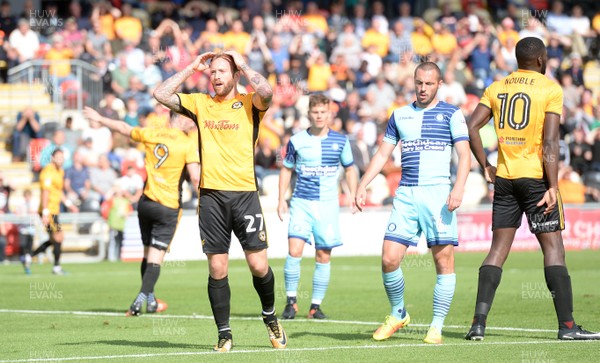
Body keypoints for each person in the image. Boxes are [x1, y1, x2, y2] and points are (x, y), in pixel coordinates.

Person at [465, 37, 600, 341]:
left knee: (497, 251)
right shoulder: (549, 89)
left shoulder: (496, 87)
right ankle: (567, 327)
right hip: (536, 180)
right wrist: (552, 185)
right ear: (541, 60)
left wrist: (485, 164)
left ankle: (478, 324)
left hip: (505, 179)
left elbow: (471, 126)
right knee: (553, 249)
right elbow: (551, 143)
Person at [153, 50, 287, 352]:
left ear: (235, 74)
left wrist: (244, 64)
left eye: (222, 71)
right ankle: (224, 333)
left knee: (258, 265)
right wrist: (191, 67)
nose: (215, 76)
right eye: (212, 71)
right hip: (211, 198)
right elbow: (160, 93)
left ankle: (270, 317)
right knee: (217, 268)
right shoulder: (200, 104)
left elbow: (267, 91)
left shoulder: (249, 104)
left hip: (245, 196)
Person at [354, 62, 471, 344]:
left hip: (438, 195)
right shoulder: (400, 115)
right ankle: (398, 314)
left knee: (443, 262)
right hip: (406, 194)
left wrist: (458, 187)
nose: (422, 88)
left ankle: (437, 326)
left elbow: (465, 155)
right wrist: (362, 183)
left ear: (439, 85)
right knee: (389, 258)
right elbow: (383, 155)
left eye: (429, 83)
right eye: (419, 82)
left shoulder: (451, 114)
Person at [83, 106, 200, 316]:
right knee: (156, 257)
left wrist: (100, 118)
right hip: (168, 206)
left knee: (147, 255)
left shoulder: (152, 133)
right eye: (190, 118)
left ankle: (152, 300)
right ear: (180, 118)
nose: (192, 122)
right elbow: (196, 177)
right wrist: (203, 202)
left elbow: (123, 128)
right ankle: (139, 301)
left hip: (146, 204)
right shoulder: (186, 142)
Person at [278, 94, 358, 320]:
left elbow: (350, 169)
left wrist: (352, 194)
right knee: (294, 251)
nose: (320, 115)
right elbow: (286, 169)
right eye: (316, 112)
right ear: (309, 114)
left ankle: (315, 306)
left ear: (330, 114)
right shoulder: (296, 140)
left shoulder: (341, 141)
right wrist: (280, 198)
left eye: (324, 112)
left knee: (323, 255)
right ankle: (291, 302)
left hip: (327, 205)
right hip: (301, 203)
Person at [31, 149, 79, 275]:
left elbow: (58, 192)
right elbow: (45, 192)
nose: (60, 160)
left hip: (54, 211)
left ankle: (29, 257)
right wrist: (45, 212)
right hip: (48, 211)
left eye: (62, 158)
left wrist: (69, 204)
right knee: (58, 237)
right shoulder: (48, 171)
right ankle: (56, 267)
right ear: (52, 158)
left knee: (56, 238)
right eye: (58, 157)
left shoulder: (60, 171)